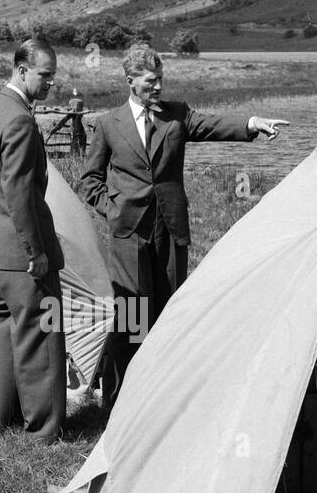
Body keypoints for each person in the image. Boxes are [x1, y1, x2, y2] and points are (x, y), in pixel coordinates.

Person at [78, 41, 287, 402]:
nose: (157, 87)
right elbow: (89, 180)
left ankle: (162, 396)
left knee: (169, 310)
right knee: (132, 315)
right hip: (129, 233)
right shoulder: (109, 124)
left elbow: (212, 125)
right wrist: (113, 210)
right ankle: (116, 401)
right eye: (149, 81)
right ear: (130, 81)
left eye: (160, 79)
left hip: (171, 230)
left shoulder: (176, 115)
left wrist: (252, 123)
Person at [0, 36, 67, 442]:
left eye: (54, 76)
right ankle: (42, 430)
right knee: (40, 334)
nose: (51, 83)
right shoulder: (20, 120)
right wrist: (35, 251)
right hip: (20, 256)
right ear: (22, 70)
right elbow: (19, 193)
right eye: (45, 75)